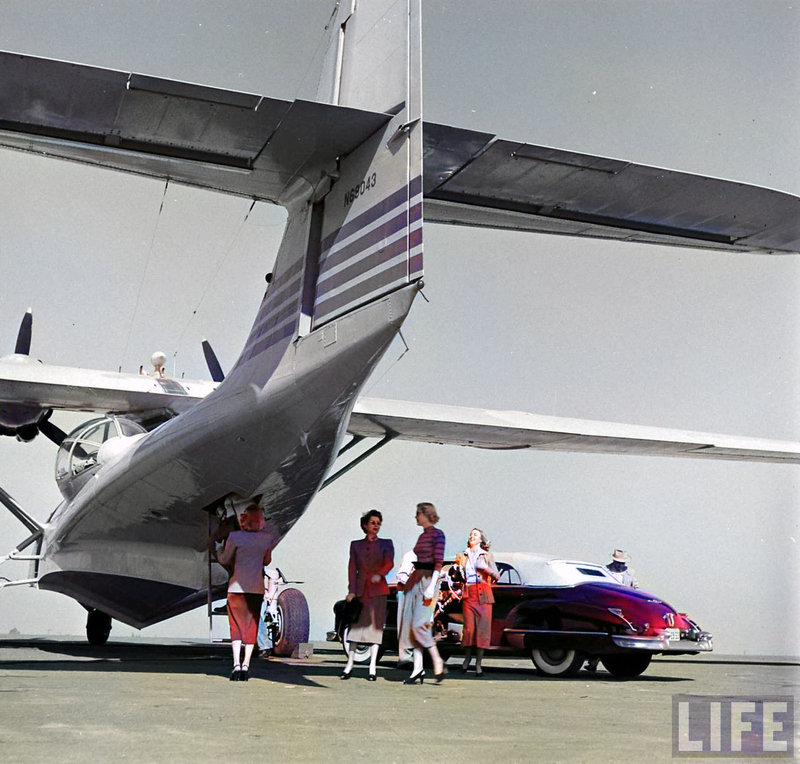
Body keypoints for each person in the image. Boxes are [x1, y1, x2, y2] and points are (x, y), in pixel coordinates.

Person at [215, 503, 276, 681]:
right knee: (251, 628)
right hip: (256, 589)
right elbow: (266, 561)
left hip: (236, 588)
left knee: (235, 627)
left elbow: (225, 560)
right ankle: (246, 665)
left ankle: (236, 665)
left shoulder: (235, 537)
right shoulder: (267, 538)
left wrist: (218, 548)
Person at [341, 510, 394, 681]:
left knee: (375, 629)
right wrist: (352, 590)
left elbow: (389, 562)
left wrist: (380, 573)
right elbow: (352, 568)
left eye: (378, 523)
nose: (376, 526)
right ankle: (349, 664)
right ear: (365, 525)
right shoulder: (355, 545)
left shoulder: (386, 543)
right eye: (373, 522)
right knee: (355, 628)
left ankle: (372, 667)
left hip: (378, 591)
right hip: (361, 591)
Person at [398, 502, 447, 684]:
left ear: (426, 515)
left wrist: (431, 586)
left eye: (418, 514)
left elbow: (438, 562)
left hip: (428, 580)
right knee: (412, 626)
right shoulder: (421, 536)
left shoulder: (438, 535)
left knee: (420, 625)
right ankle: (418, 668)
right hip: (415, 579)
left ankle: (437, 660)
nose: (416, 517)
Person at [457, 528, 499, 677]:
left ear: (480, 539)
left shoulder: (486, 556)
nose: (472, 536)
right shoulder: (464, 555)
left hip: (484, 594)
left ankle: (479, 664)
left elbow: (497, 575)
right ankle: (467, 659)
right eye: (471, 534)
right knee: (469, 629)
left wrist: (485, 568)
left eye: (475, 534)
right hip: (469, 593)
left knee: (482, 630)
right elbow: (460, 575)